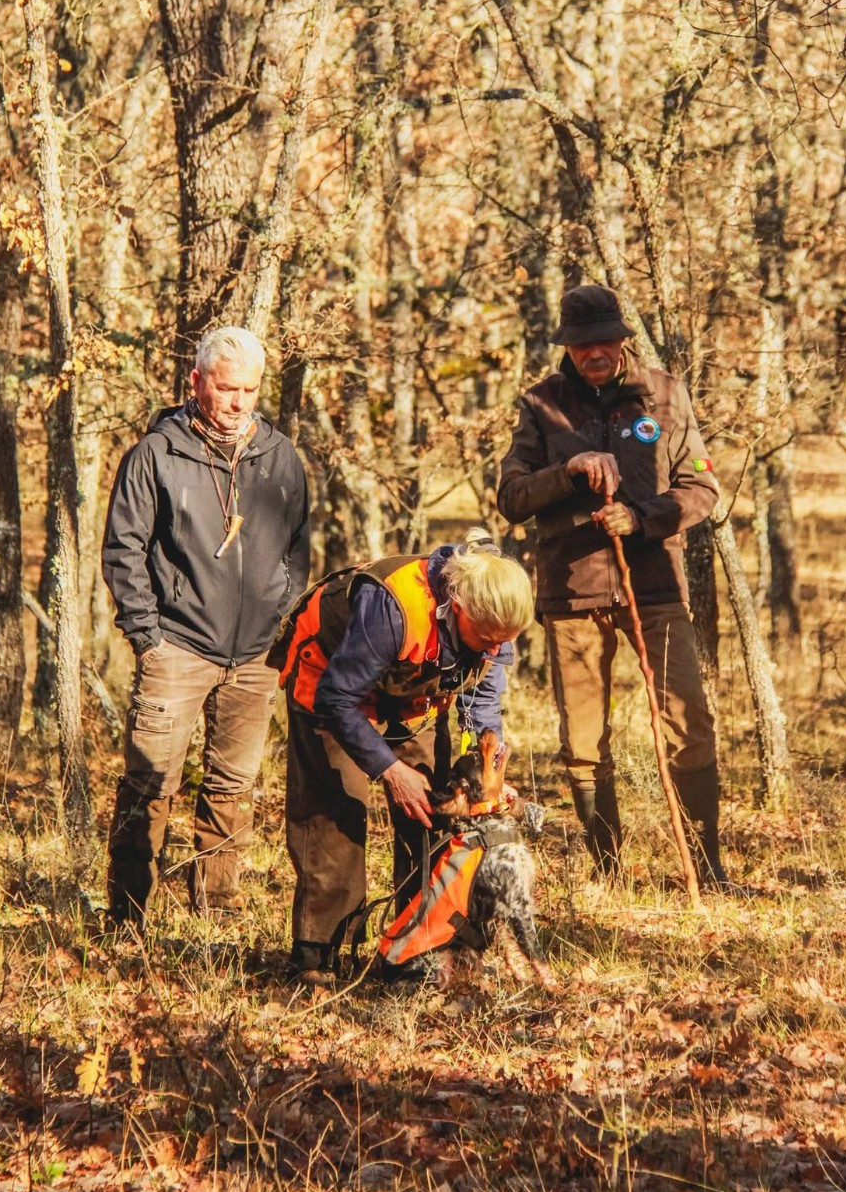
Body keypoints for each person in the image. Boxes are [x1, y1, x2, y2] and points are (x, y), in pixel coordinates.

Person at [497, 284, 728, 887]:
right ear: (568, 347)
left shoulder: (666, 395)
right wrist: (567, 472)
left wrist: (644, 518)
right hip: (572, 593)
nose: (594, 352)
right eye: (581, 344)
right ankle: (609, 872)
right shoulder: (541, 404)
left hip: (654, 586)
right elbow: (512, 497)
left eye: (604, 339)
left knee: (688, 721)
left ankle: (707, 867)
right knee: (582, 737)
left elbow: (702, 488)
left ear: (623, 338)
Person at [101, 325, 310, 928]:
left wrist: (281, 620)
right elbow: (124, 550)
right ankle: (127, 916)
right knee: (150, 784)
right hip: (177, 648)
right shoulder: (157, 455)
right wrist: (149, 636)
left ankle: (216, 912)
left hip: (256, 657)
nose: (238, 401)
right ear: (197, 383)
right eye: (226, 388)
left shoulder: (281, 457)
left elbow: (297, 549)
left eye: (249, 389)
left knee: (232, 787)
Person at [275, 529, 534, 983]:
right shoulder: (392, 606)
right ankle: (320, 961)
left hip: (410, 700)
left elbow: (484, 704)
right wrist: (390, 770)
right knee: (337, 815)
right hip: (329, 685)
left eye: (504, 641)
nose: (496, 648)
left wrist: (487, 775)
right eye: (489, 637)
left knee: (433, 814)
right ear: (459, 608)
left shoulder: (497, 621)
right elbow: (338, 699)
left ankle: (415, 953)